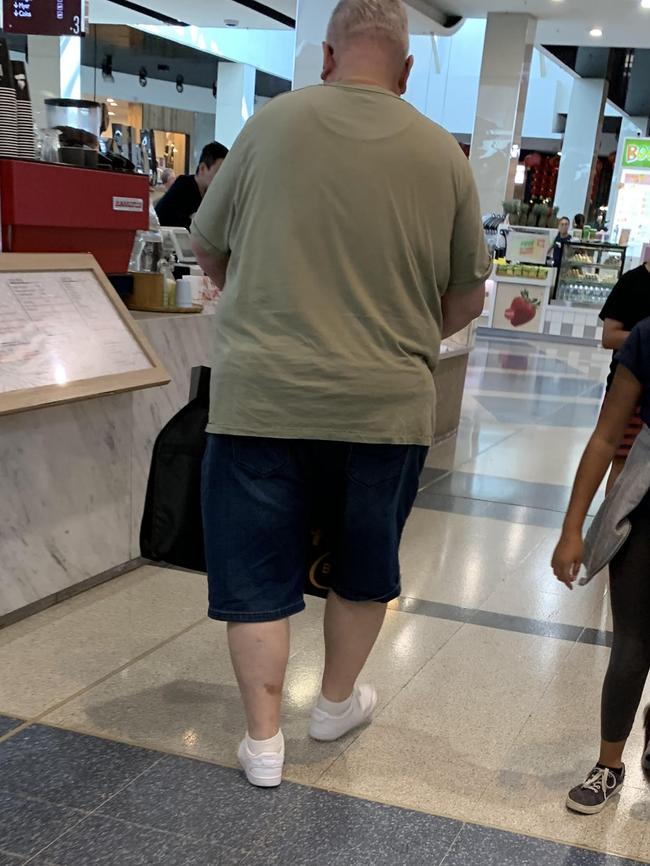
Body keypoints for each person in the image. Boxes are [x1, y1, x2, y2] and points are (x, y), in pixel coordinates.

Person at [191, 0, 490, 789]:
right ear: (407, 69)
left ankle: (262, 743)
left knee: (255, 572)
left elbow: (208, 251)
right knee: (363, 563)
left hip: (260, 396)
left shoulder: (267, 128)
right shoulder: (443, 156)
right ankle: (331, 704)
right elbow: (466, 300)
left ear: (326, 57)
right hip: (384, 405)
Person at [552, 317, 650, 815]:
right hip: (645, 509)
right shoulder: (648, 336)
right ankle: (609, 764)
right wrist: (573, 530)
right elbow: (605, 438)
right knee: (632, 644)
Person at [599, 261, 650, 491]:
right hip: (626, 391)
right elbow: (609, 337)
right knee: (621, 460)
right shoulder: (631, 282)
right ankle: (611, 523)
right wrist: (644, 338)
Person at [155, 142, 228, 230]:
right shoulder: (183, 188)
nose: (222, 179)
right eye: (218, 172)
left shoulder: (206, 192)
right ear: (202, 168)